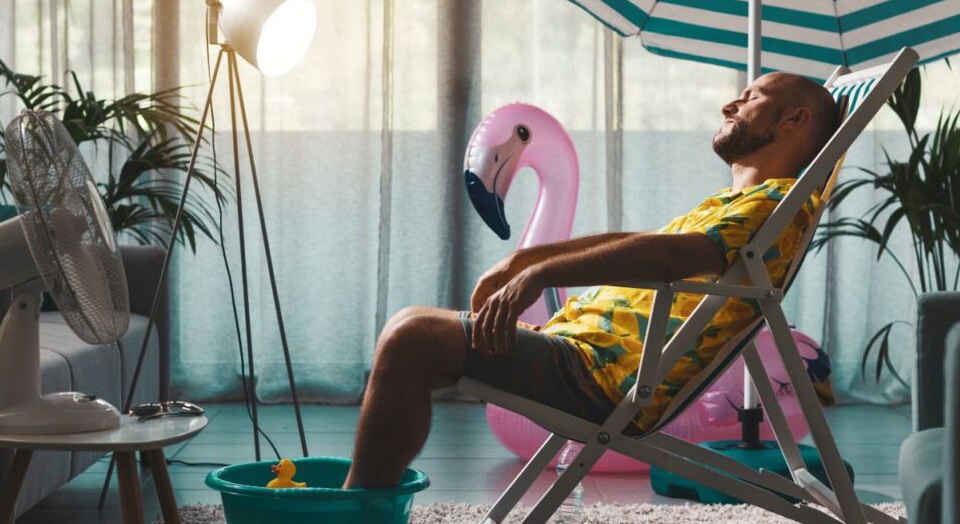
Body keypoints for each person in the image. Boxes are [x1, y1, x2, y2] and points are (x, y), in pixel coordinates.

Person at [342, 72, 839, 489]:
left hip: (600, 379)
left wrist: (543, 273)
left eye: (751, 98)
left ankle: (359, 511)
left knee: (411, 338)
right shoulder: (733, 206)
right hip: (582, 354)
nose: (730, 104)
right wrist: (528, 259)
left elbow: (670, 255)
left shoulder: (772, 204)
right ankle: (364, 501)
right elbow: (648, 240)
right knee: (411, 324)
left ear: (794, 119)